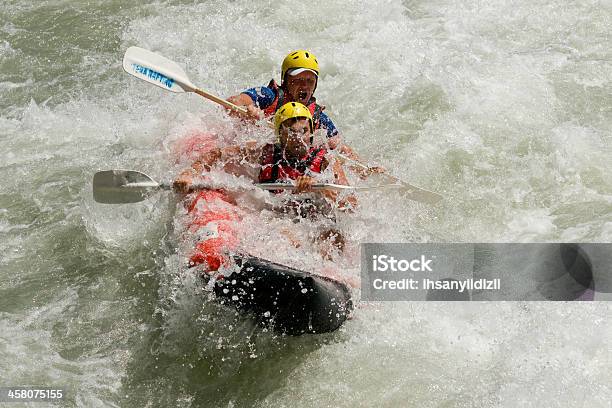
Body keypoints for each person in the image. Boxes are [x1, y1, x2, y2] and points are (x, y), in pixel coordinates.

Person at [174, 102, 356, 257]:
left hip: (316, 219)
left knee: (334, 237)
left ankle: (329, 274)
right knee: (287, 235)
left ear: (311, 131)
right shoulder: (264, 152)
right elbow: (218, 154)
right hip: (278, 216)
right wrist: (189, 173)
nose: (299, 138)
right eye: (291, 132)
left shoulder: (326, 160)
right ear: (280, 134)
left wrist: (321, 188)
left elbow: (351, 204)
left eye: (304, 131)